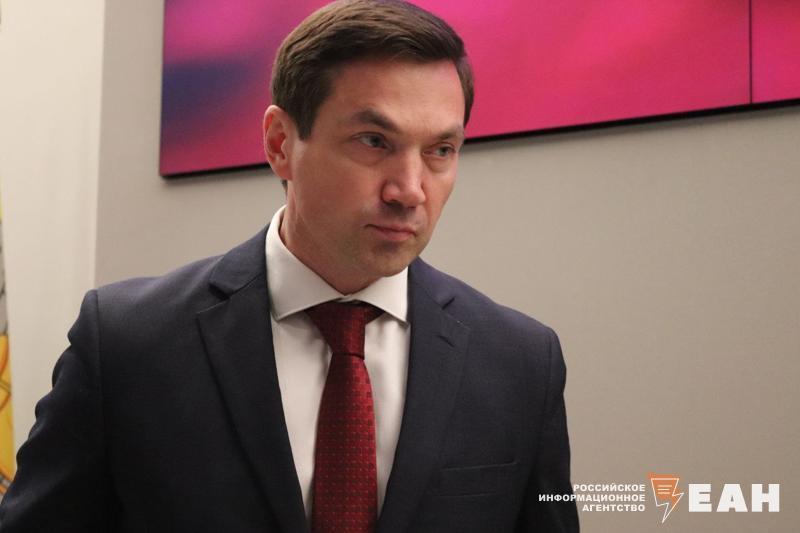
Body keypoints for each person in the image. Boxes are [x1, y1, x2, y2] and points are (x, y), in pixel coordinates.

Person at [0, 1, 578, 531]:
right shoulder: (128, 344)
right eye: (374, 141)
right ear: (280, 143)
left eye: (440, 151)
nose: (409, 189)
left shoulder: (521, 363)